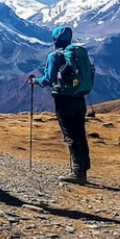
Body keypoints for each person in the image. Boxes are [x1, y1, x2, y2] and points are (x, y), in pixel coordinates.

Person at [30, 25, 91, 185]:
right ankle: (83, 169)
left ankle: (78, 173)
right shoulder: (77, 54)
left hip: (64, 100)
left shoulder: (54, 56)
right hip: (80, 98)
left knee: (70, 135)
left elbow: (48, 80)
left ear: (55, 40)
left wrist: (35, 81)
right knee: (80, 134)